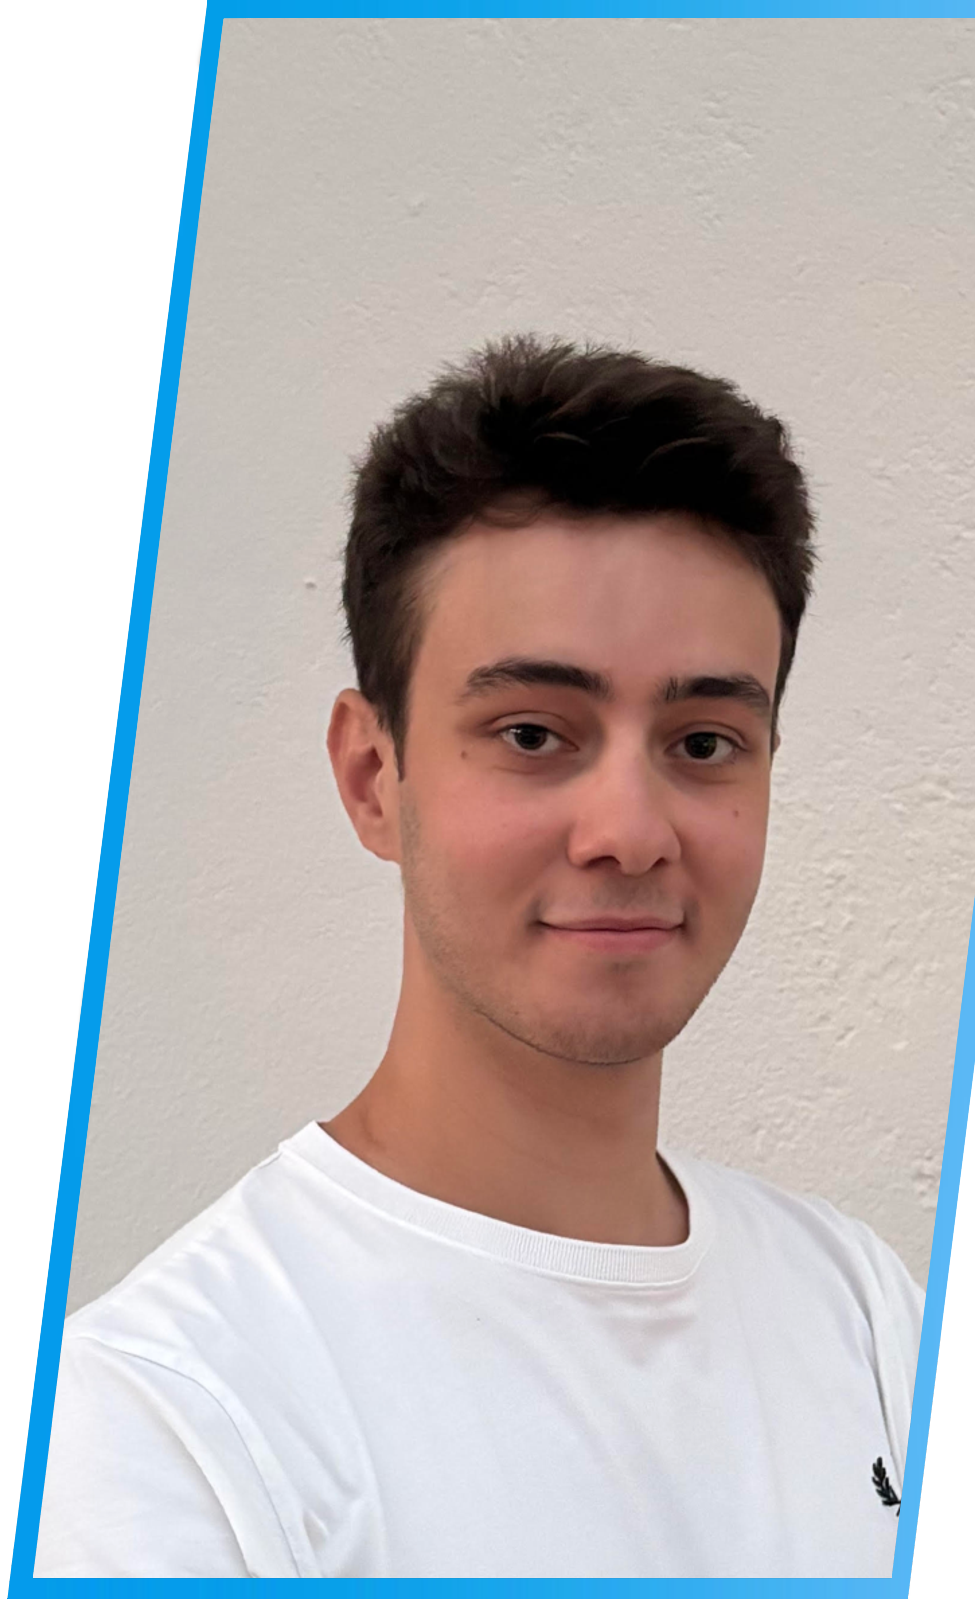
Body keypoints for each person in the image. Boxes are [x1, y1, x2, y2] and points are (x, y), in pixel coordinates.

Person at [34, 333, 924, 1578]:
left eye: (703, 742)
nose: (630, 832)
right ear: (372, 776)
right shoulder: (164, 1421)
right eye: (531, 733)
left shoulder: (867, 1311)